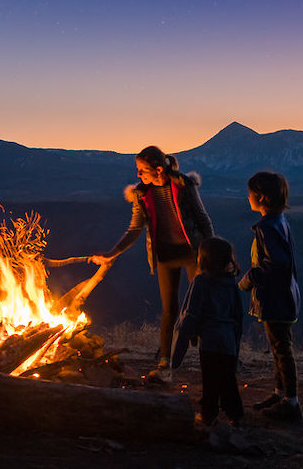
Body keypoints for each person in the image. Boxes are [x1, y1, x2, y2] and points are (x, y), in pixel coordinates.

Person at [92, 145, 215, 382]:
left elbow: (203, 220)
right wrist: (112, 253)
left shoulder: (183, 187)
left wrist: (211, 253)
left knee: (198, 308)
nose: (138, 175)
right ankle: (164, 365)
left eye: (142, 170)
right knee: (169, 310)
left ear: (158, 170)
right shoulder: (142, 194)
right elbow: (134, 229)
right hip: (166, 256)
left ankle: (210, 357)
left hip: (192, 254)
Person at [238, 170, 302, 422]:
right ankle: (281, 394)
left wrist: (247, 280)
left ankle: (291, 403)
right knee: (278, 347)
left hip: (276, 297)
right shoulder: (279, 221)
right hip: (285, 294)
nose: (248, 197)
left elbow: (274, 263)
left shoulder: (266, 226)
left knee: (281, 348)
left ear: (261, 197)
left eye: (250, 194)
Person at [171, 236, 245, 429]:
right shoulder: (231, 284)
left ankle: (208, 415)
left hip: (210, 341)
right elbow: (238, 316)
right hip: (227, 340)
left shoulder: (201, 282)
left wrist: (181, 343)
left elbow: (191, 312)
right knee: (228, 378)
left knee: (210, 378)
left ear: (203, 260)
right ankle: (235, 415)